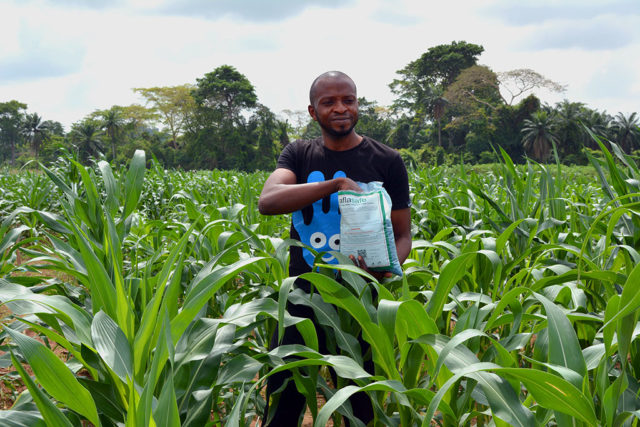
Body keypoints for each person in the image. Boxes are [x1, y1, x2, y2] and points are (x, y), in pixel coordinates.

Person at [258, 71, 411, 426]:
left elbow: (403, 235)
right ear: (313, 112)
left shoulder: (387, 160)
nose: (340, 108)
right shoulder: (298, 154)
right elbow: (268, 201)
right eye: (329, 102)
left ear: (358, 105)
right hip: (301, 301)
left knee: (361, 409)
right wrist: (337, 184)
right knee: (283, 405)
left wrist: (386, 269)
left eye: (348, 100)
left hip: (360, 305)